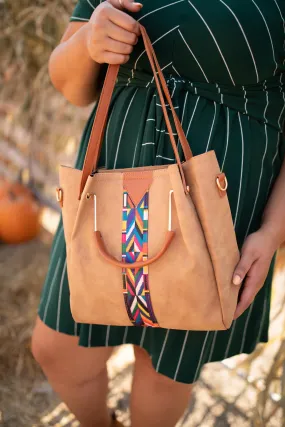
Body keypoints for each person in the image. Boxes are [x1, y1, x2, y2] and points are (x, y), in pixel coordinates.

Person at [32, 1, 285, 426]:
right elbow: (71, 84)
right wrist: (89, 43)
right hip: (112, 183)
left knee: (165, 374)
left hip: (219, 203)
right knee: (57, 349)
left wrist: (274, 229)